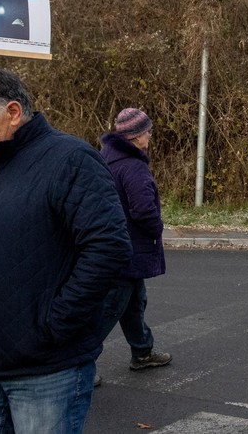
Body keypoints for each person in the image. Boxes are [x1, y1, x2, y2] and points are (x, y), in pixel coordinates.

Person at [0, 65, 132, 434]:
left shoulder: (71, 159)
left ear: (12, 113)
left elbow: (108, 249)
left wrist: (53, 325)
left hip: (45, 369)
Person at [97, 108, 172, 376]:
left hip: (109, 243)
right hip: (128, 248)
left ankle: (142, 351)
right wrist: (157, 228)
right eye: (147, 131)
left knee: (133, 302)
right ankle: (79, 363)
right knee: (109, 308)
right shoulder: (133, 166)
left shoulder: (106, 158)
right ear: (136, 136)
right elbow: (143, 209)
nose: (150, 136)